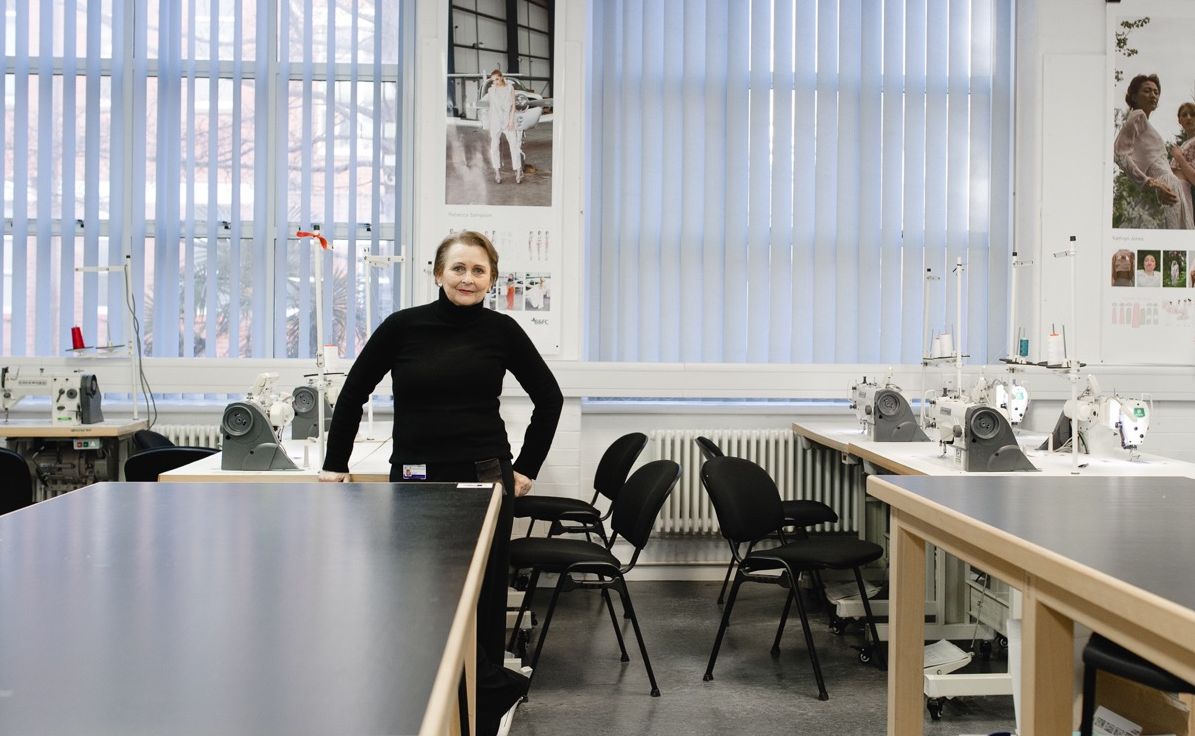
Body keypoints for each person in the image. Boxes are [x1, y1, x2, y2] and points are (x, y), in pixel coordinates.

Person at [319, 230, 563, 735]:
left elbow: (550, 398)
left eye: (478, 270)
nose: (468, 278)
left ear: (491, 279)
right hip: (414, 476)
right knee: (416, 590)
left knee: (485, 590)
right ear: (437, 273)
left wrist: (527, 467)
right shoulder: (402, 327)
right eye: (459, 268)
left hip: (484, 475)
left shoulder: (503, 331)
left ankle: (484, 689)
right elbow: (352, 393)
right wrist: (334, 462)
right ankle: (422, 693)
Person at [1113, 74, 1194, 229]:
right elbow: (1119, 153)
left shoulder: (1145, 124)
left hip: (1168, 188)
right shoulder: (1138, 115)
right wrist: (1148, 183)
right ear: (1134, 96)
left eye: (1156, 92)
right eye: (1147, 91)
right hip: (1163, 188)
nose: (1153, 95)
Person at [484, 69, 523, 184]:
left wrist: (511, 121)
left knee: (514, 145)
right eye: (493, 80)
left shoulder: (510, 88)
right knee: (494, 147)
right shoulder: (491, 90)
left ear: (501, 77)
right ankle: (497, 172)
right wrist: (490, 123)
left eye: (497, 79)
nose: (495, 82)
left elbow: (513, 107)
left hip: (508, 121)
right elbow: (490, 107)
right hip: (495, 122)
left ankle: (518, 171)